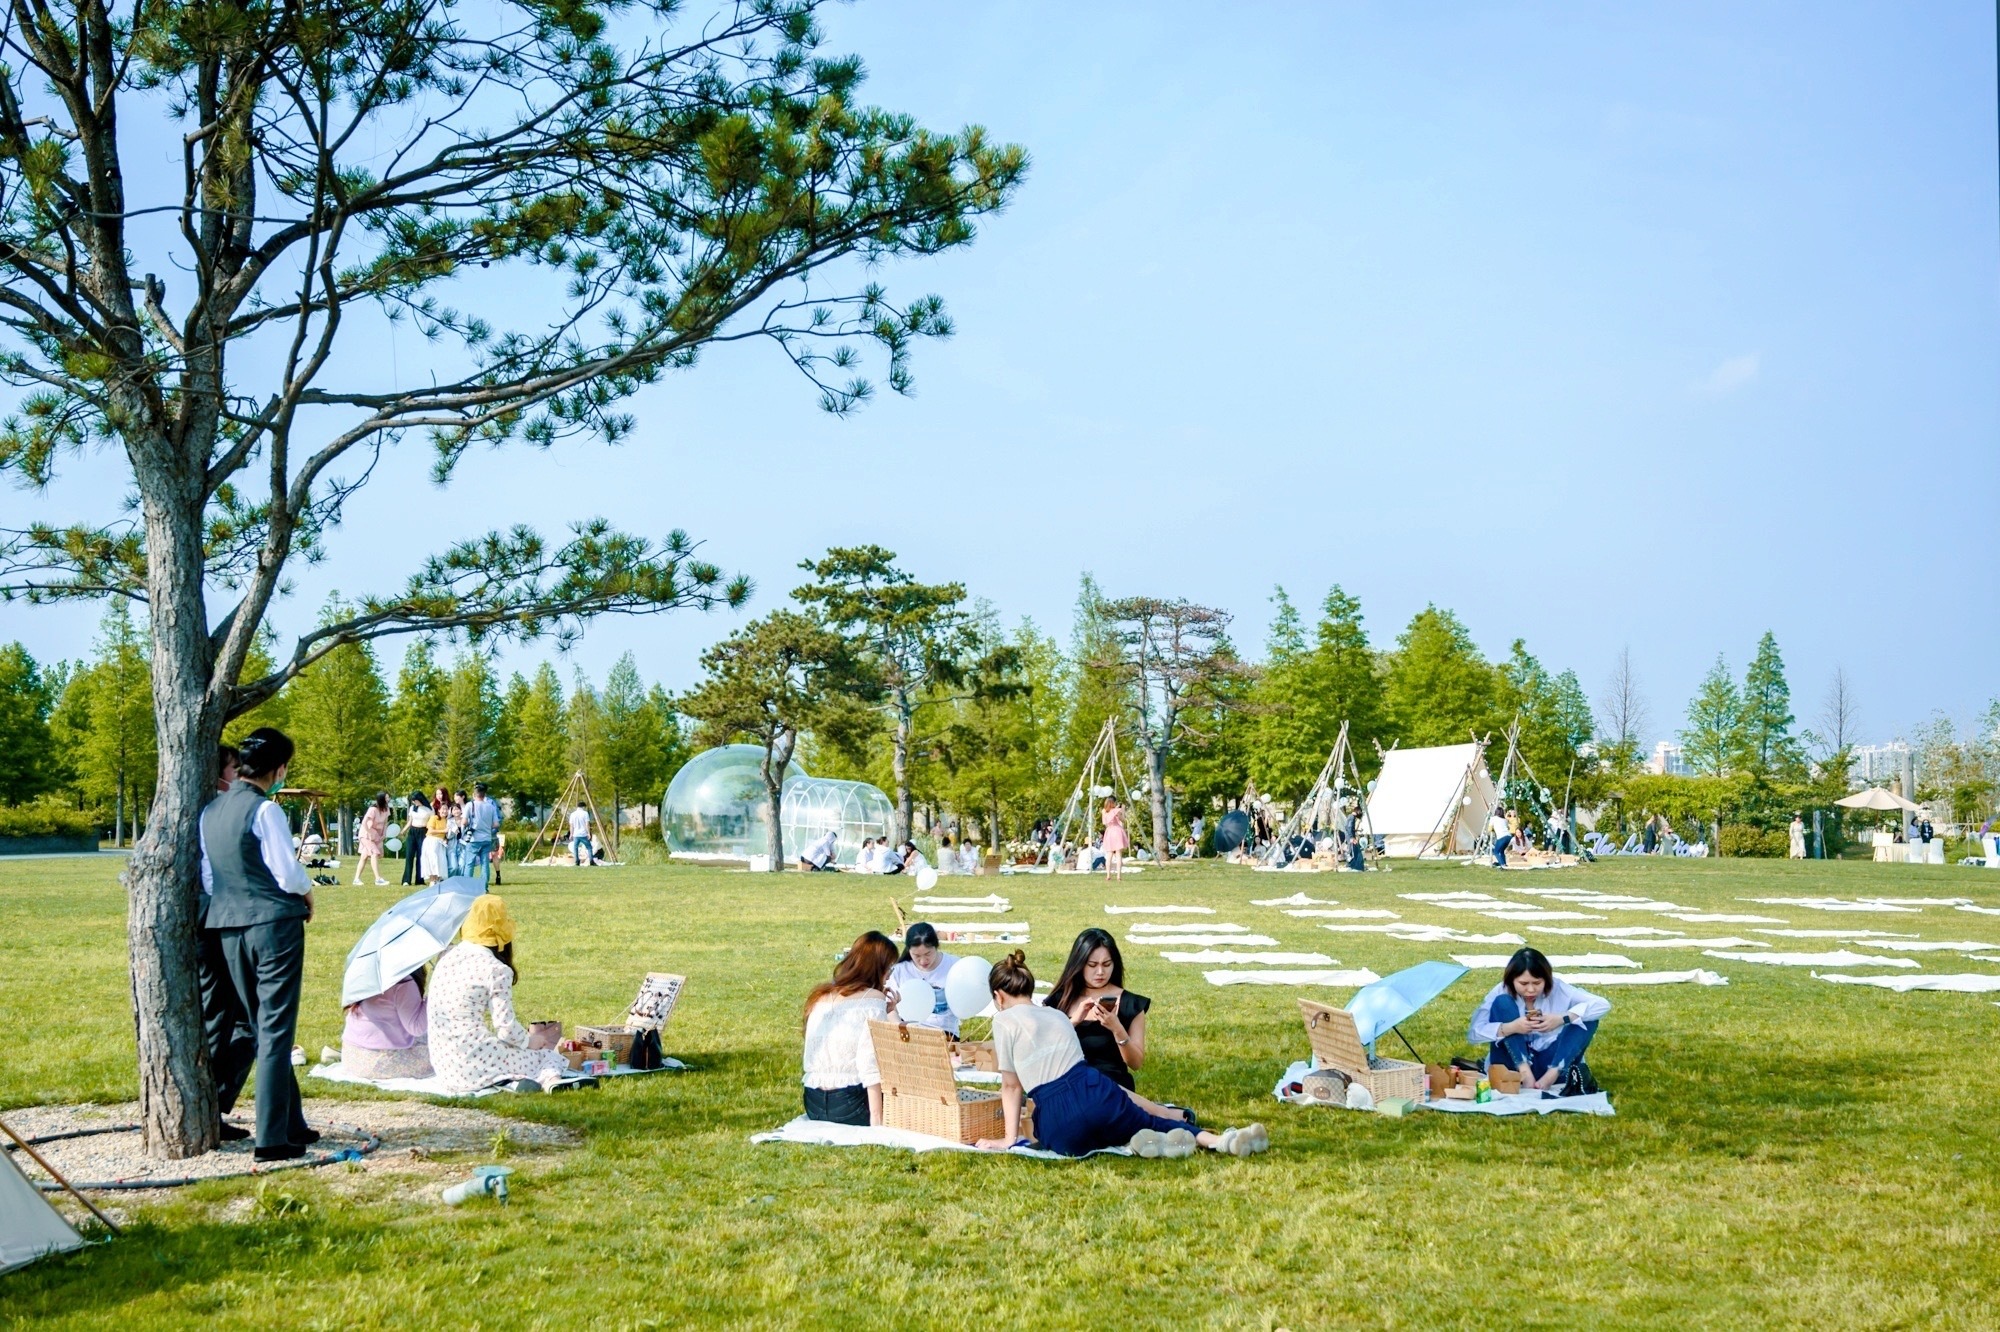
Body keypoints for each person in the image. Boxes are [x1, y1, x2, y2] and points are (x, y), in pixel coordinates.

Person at [974, 951, 1266, 1158]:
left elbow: (1011, 1087)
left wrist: (1009, 1140)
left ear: (999, 995)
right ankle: (1215, 1140)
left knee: (1072, 1132)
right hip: (1097, 1091)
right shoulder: (1056, 1016)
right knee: (1153, 1120)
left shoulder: (1003, 1020)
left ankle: (1142, 1141)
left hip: (1060, 1120)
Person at [199, 726, 317, 1160]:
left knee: (257, 1022)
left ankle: (291, 1122)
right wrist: (307, 894)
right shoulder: (265, 811)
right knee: (275, 1030)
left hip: (227, 925)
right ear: (279, 767)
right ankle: (271, 1138)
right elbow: (287, 873)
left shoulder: (210, 812)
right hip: (273, 924)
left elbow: (211, 878)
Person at [428, 895, 574, 1094]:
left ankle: (511, 1081)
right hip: (472, 1061)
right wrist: (530, 1042)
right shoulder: (495, 969)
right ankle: (551, 1080)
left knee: (507, 1053)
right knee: (548, 1056)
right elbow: (506, 1030)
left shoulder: (446, 956)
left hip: (444, 1063)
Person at [1044, 928, 1180, 1117]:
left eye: (1107, 964)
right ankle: (1167, 1115)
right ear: (1079, 964)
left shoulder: (1130, 1004)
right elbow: (1043, 1052)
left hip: (1111, 1086)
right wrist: (1073, 1022)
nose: (1100, 972)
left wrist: (1117, 1029)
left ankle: (1166, 1116)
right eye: (1092, 965)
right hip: (1069, 1084)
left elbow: (1136, 1062)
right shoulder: (1060, 1001)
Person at [198, 743, 256, 1142]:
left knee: (236, 1019)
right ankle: (211, 1107)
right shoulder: (215, 814)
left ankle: (215, 1104)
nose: (239, 775)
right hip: (217, 923)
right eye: (234, 768)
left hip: (219, 919)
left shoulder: (215, 811)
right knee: (226, 1017)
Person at [1469, 947, 1610, 1093]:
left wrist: (1561, 1018)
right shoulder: (1501, 989)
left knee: (1587, 1017)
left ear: (1546, 979)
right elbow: (1474, 1033)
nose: (1530, 990)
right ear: (1512, 980)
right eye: (1523, 984)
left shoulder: (1558, 988)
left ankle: (1552, 1075)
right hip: (1510, 1065)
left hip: (1549, 1060)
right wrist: (1512, 1027)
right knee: (1502, 1003)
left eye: (1537, 983)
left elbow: (1602, 1005)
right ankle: (1524, 1071)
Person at [801, 931, 894, 1125]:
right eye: (889, 969)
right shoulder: (874, 999)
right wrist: (877, 1119)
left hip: (813, 1104)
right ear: (879, 968)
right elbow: (871, 1062)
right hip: (851, 1105)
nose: (889, 976)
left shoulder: (821, 996)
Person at [341, 972, 432, 1079]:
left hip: (352, 1058)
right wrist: (432, 997)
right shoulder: (403, 982)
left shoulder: (363, 975)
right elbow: (416, 1028)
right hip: (383, 1063)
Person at [886, 923, 961, 1036]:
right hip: (909, 1034)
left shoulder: (954, 965)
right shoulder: (899, 971)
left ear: (936, 946)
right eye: (916, 956)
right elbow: (890, 1009)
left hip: (945, 1034)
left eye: (928, 954)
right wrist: (902, 1029)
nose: (923, 961)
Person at [464, 782, 500, 885]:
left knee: (469, 863)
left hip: (474, 839)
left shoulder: (470, 805)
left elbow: (464, 822)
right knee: (485, 864)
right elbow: (496, 824)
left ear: (474, 794)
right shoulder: (490, 807)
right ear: (484, 795)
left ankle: (467, 886)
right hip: (486, 838)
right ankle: (484, 887)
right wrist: (486, 825)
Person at [354, 792, 391, 886]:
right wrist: (369, 833)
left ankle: (356, 879)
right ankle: (378, 879)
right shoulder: (373, 809)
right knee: (374, 853)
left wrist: (384, 834)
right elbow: (364, 822)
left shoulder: (386, 810)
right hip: (366, 835)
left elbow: (385, 823)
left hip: (376, 835)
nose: (388, 799)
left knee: (364, 856)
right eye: (386, 798)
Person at [421, 787, 451, 882]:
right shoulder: (434, 818)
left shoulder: (447, 820)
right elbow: (430, 831)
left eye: (446, 810)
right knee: (432, 861)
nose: (444, 811)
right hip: (431, 841)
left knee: (440, 862)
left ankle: (437, 880)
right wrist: (444, 831)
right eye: (442, 810)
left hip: (440, 843)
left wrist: (446, 836)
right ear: (438, 810)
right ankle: (432, 880)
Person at [400, 791, 431, 886]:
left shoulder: (429, 809)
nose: (414, 802)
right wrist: (403, 831)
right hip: (412, 832)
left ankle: (419, 880)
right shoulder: (412, 808)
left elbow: (430, 823)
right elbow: (410, 821)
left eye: (415, 800)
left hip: (423, 831)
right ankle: (406, 880)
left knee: (421, 856)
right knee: (409, 856)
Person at [1100, 797, 1129, 881]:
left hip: (1109, 831)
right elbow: (1123, 820)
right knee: (1118, 854)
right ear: (1113, 803)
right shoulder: (1116, 811)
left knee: (1109, 855)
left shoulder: (1104, 811)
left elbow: (1104, 823)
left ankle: (1108, 875)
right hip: (1117, 831)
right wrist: (1122, 810)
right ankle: (1118, 876)